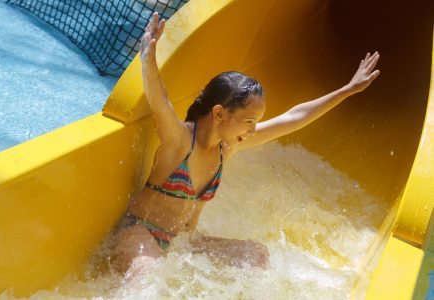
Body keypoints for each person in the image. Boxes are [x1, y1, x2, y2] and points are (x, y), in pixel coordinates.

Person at [112, 12, 380, 274]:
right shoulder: (180, 141)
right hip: (140, 232)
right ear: (219, 114)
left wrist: (347, 90)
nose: (253, 129)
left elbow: (293, 117)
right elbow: (160, 100)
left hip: (182, 243)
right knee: (151, 276)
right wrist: (148, 59)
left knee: (256, 255)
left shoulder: (226, 148)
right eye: (249, 121)